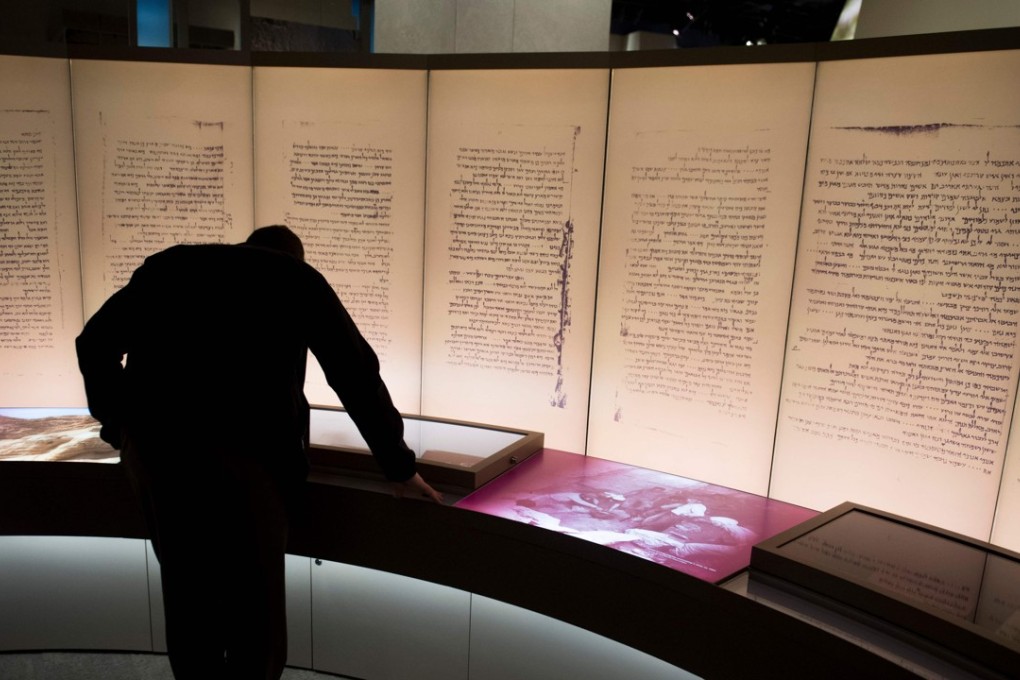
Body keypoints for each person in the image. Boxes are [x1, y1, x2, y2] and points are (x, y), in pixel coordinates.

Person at [76, 225, 441, 679]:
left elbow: (93, 344)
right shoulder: (295, 278)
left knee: (188, 598)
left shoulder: (169, 266)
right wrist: (399, 466)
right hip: (251, 462)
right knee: (257, 616)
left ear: (247, 245)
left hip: (161, 456)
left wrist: (121, 428)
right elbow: (353, 372)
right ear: (295, 257)